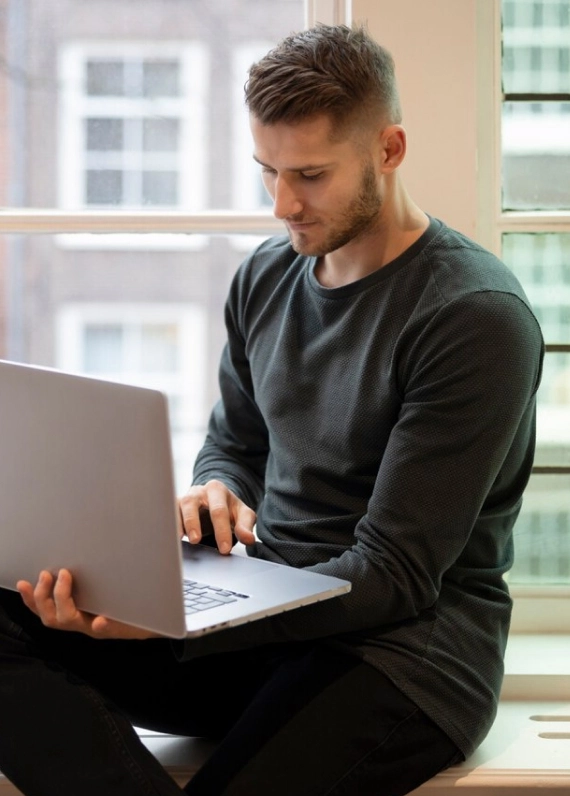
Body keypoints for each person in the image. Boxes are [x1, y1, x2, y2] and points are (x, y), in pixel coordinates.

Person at [0, 22, 544, 796]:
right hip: (259, 625)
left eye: (311, 175)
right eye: (268, 171)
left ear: (389, 149)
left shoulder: (473, 317)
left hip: (401, 656)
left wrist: (189, 620)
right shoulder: (265, 276)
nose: (284, 203)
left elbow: (394, 576)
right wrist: (218, 489)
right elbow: (235, 445)